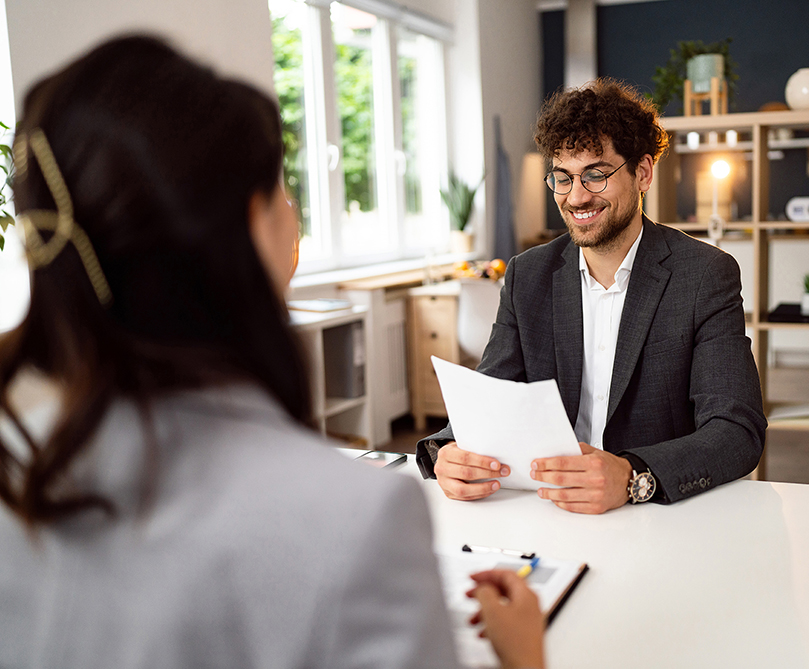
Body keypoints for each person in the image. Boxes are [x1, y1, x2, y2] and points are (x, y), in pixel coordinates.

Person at [0, 35, 545, 669]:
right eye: (283, 195)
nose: (295, 217)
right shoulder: (355, 521)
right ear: (251, 230)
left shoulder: (22, 462)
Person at [416, 79, 766, 514]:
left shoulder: (703, 274)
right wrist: (447, 452)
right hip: (546, 510)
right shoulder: (529, 275)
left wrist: (634, 476)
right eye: (562, 178)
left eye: (596, 175)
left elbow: (736, 430)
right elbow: (491, 396)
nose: (577, 196)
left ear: (642, 172)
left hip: (659, 518)